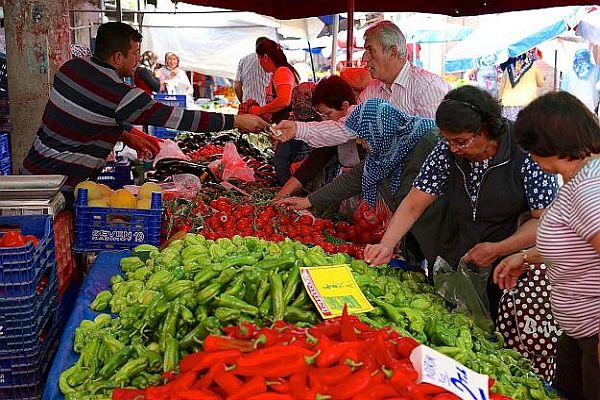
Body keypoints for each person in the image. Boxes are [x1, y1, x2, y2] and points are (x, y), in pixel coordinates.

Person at [21, 22, 268, 207]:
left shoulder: (70, 69)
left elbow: (82, 115)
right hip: (61, 186)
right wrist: (236, 121)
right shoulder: (122, 95)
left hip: (31, 176)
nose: (138, 60)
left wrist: (126, 134)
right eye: (135, 54)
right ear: (118, 57)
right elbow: (182, 119)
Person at [364, 85, 558, 320]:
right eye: (448, 141)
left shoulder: (525, 152)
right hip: (465, 255)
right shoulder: (447, 150)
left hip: (515, 266)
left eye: (461, 141)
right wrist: (386, 244)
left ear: (487, 129)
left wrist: (499, 248)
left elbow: (544, 222)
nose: (454, 148)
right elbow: (415, 202)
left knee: (505, 333)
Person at [493, 92, 600, 400]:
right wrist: (526, 257)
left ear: (546, 144)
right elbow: (579, 242)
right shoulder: (579, 178)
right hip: (579, 330)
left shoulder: (588, 188)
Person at [277, 98, 443, 265]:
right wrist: (309, 200)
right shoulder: (383, 150)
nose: (358, 142)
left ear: (379, 132)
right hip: (413, 228)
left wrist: (389, 243)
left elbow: (416, 203)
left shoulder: (427, 143)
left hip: (439, 228)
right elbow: (354, 178)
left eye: (362, 136)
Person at [271, 20, 449, 149]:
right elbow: (345, 127)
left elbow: (435, 142)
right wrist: (297, 129)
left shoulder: (427, 86)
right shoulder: (372, 92)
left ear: (393, 52)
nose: (364, 58)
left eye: (370, 50)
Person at [276, 75, 358, 199]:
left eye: (328, 113)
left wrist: (298, 129)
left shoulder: (362, 124)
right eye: (322, 114)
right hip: (347, 192)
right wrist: (281, 196)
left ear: (345, 106)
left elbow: (340, 130)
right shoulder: (331, 135)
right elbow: (313, 163)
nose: (324, 119)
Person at [249, 38, 302, 183]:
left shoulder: (282, 72)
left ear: (265, 56)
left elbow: (284, 100)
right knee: (283, 162)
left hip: (288, 128)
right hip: (284, 129)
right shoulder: (281, 71)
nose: (259, 63)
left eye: (259, 58)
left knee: (282, 163)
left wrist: (260, 110)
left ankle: (287, 196)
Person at [498, 49, 544, 121]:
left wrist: (499, 101)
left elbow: (501, 88)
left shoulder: (508, 68)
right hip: (527, 103)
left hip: (509, 104)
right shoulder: (533, 66)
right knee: (525, 127)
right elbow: (541, 83)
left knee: (510, 127)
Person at [234, 37, 272, 106]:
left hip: (248, 106)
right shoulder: (271, 60)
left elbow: (237, 86)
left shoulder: (243, 60)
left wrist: (243, 102)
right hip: (267, 107)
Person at [560, 48, 600, 114]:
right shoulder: (597, 70)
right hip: (591, 107)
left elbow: (563, 89)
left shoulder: (568, 71)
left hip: (572, 105)